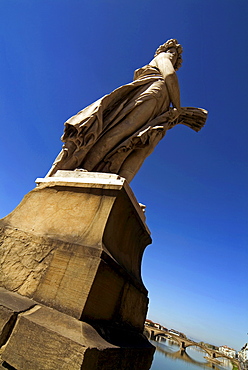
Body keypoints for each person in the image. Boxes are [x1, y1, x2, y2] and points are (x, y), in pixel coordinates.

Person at [47, 39, 206, 182]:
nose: (172, 55)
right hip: (155, 93)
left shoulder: (163, 63)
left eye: (175, 55)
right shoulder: (162, 58)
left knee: (138, 142)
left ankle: (114, 178)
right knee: (124, 131)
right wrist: (178, 108)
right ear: (162, 51)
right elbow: (170, 75)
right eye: (170, 51)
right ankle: (87, 168)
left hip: (160, 100)